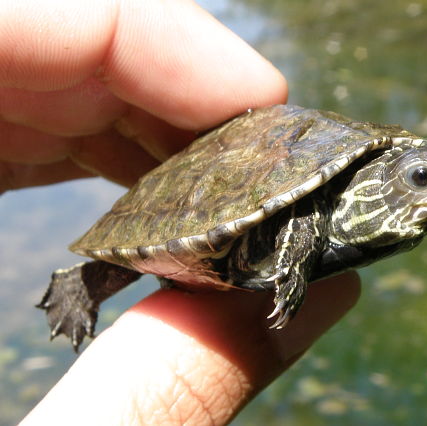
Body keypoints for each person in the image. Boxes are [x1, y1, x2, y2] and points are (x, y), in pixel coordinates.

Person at [1, 2, 361, 424]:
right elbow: (301, 210)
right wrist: (293, 269)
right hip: (220, 209)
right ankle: (80, 283)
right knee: (127, 263)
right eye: (421, 176)